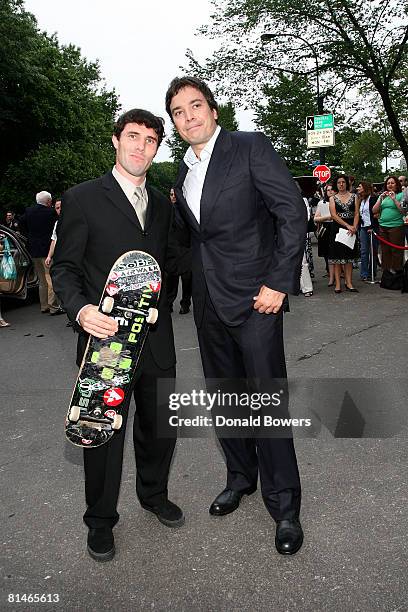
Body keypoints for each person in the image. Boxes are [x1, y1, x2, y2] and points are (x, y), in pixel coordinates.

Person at [165, 76, 306, 555]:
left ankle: (285, 504)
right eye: (179, 113)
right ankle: (240, 477)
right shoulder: (181, 175)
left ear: (213, 110)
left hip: (256, 300)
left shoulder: (249, 147)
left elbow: (291, 213)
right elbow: (191, 240)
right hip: (208, 304)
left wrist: (278, 282)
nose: (189, 117)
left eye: (195, 105)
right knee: (225, 399)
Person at [51, 109, 185, 563]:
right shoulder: (84, 199)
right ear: (115, 140)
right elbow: (65, 268)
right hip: (106, 342)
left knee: (157, 427)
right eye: (133, 137)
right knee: (102, 432)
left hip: (158, 339)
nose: (140, 147)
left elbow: (173, 260)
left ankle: (153, 495)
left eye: (150, 141)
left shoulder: (164, 206)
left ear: (156, 148)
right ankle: (101, 520)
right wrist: (81, 309)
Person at [19, 191, 64, 315]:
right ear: (49, 202)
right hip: (47, 250)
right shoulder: (51, 212)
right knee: (50, 278)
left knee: (41, 280)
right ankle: (54, 307)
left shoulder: (28, 211)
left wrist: (28, 236)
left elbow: (21, 223)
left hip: (33, 250)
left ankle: (44, 306)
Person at [328, 175, 359, 293]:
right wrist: (347, 226)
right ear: (336, 185)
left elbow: (356, 213)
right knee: (337, 258)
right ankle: (337, 284)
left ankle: (349, 283)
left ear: (347, 184)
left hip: (352, 229)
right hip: (338, 229)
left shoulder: (354, 196)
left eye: (343, 182)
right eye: (339, 183)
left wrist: (354, 227)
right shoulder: (332, 198)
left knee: (349, 257)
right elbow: (334, 215)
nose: (341, 184)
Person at [166, 188, 192, 314]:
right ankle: (169, 304)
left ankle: (185, 304)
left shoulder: (187, 210)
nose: (173, 197)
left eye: (175, 194)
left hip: (186, 250)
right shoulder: (165, 210)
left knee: (187, 281)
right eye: (171, 194)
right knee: (171, 280)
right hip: (172, 252)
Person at [372, 176, 405, 273]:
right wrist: (380, 198)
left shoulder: (401, 195)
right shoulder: (383, 196)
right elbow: (374, 210)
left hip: (396, 226)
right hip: (383, 226)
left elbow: (402, 211)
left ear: (396, 185)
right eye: (388, 183)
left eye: (392, 183)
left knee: (396, 251)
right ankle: (386, 272)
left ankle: (397, 272)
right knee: (385, 251)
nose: (390, 185)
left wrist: (394, 198)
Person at [356, 181, 379, 281]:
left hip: (372, 227)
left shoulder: (373, 198)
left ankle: (372, 272)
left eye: (360, 187)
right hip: (363, 227)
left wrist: (372, 226)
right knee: (364, 251)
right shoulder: (360, 199)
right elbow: (359, 214)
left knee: (373, 250)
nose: (358, 188)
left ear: (365, 188)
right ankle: (364, 273)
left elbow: (376, 213)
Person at [314, 183, 335, 286]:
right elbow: (316, 218)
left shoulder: (339, 201)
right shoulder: (321, 203)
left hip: (337, 228)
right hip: (325, 228)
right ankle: (330, 273)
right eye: (328, 190)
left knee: (337, 253)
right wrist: (327, 217)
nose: (330, 191)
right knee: (326, 253)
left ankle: (340, 273)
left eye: (332, 189)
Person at [45, 199, 61, 267]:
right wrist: (49, 256)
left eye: (62, 207)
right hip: (59, 257)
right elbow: (54, 240)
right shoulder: (57, 223)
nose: (60, 209)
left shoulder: (76, 221)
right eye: (57, 208)